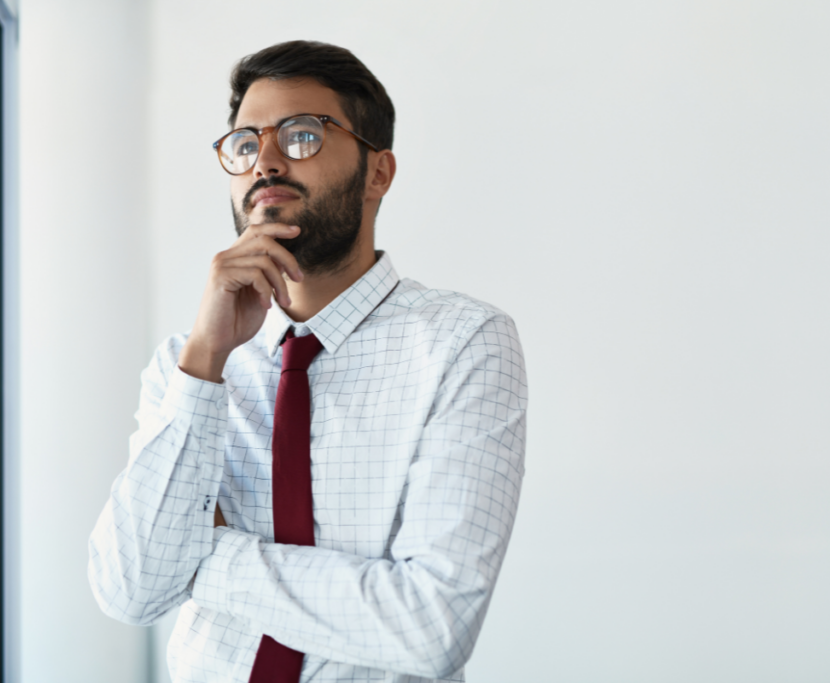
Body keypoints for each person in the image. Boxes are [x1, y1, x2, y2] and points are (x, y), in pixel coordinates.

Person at [88, 40, 527, 683]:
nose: (265, 160)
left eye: (301, 136)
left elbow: (432, 628)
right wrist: (206, 359)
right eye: (244, 144)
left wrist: (206, 554)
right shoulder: (185, 368)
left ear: (378, 173)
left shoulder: (463, 344)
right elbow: (129, 592)